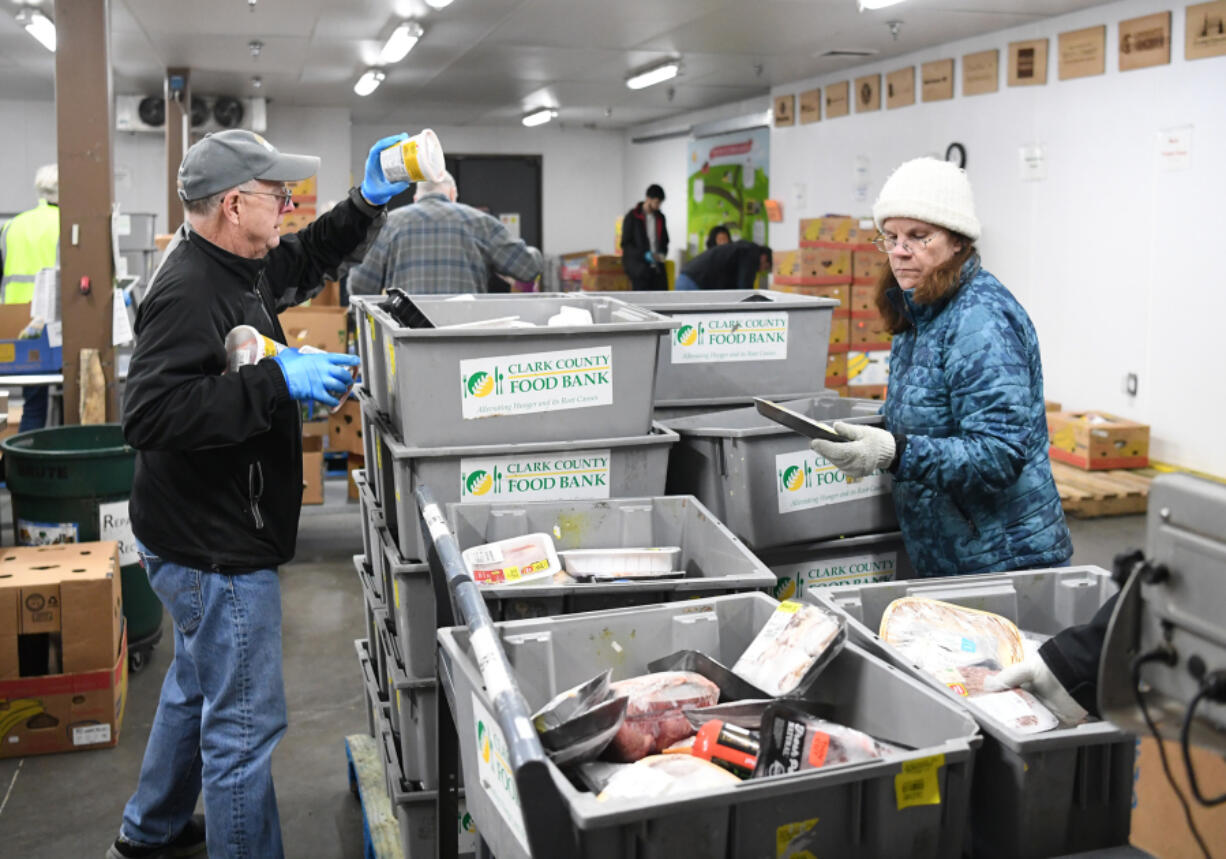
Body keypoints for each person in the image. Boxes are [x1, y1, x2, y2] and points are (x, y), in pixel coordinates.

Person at [109, 129, 410, 859]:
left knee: (193, 683)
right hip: (213, 545)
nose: (288, 204)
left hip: (192, 529)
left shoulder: (234, 262)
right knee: (244, 727)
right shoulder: (188, 289)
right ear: (234, 202)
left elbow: (304, 259)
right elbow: (148, 415)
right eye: (277, 194)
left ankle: (150, 830)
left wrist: (364, 202)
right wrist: (278, 380)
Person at [808, 157, 1072, 577]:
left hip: (1003, 559)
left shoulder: (978, 320)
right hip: (953, 554)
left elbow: (999, 453)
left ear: (957, 242)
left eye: (919, 236)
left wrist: (895, 452)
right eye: (891, 236)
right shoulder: (921, 312)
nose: (899, 250)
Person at [346, 171, 543, 295]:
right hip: (464, 338)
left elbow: (360, 287)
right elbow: (528, 268)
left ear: (416, 198)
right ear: (452, 194)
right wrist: (533, 253)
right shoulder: (481, 223)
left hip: (406, 337)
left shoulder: (387, 225)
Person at [0, 164, 59, 431]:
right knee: (68, 399)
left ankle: (21, 467)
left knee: (32, 405)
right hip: (54, 322)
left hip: (17, 324)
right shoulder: (66, 222)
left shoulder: (12, 225)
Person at [621, 183, 669, 291]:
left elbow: (665, 241)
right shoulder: (632, 217)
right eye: (656, 202)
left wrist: (662, 254)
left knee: (661, 298)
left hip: (657, 268)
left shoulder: (661, 218)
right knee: (642, 303)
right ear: (648, 198)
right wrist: (644, 255)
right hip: (639, 268)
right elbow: (626, 244)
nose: (658, 206)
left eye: (660, 203)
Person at [676, 239, 771, 291]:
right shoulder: (751, 252)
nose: (761, 271)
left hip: (688, 278)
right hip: (694, 282)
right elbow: (745, 288)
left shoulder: (742, 249)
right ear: (764, 257)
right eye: (765, 267)